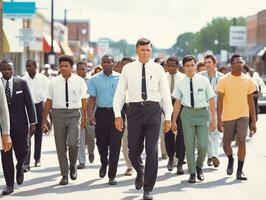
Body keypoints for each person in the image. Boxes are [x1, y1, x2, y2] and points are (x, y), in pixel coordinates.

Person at [113, 38, 172, 200]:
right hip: (134, 111)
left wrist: (168, 117)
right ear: (137, 51)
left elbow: (165, 94)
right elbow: (119, 93)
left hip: (153, 110)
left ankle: (148, 189)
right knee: (133, 150)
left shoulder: (158, 69)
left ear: (151, 51)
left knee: (152, 150)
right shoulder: (128, 69)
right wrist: (117, 114)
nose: (145, 53)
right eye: (142, 50)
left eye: (148, 50)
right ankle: (140, 171)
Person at [41, 56, 87, 185]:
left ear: (71, 67)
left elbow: (84, 100)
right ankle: (64, 174)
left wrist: (85, 117)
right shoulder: (53, 82)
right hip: (58, 114)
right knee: (60, 146)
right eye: (61, 66)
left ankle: (73, 164)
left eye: (66, 66)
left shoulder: (79, 81)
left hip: (74, 114)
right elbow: (49, 101)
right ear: (59, 67)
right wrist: (44, 120)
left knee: (73, 142)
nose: (64, 68)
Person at [171, 55, 216, 184]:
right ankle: (192, 172)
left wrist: (214, 119)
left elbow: (211, 99)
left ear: (195, 66)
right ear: (183, 67)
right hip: (187, 114)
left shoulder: (203, 80)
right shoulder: (180, 83)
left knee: (203, 144)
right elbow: (177, 103)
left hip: (202, 113)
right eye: (187, 66)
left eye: (192, 65)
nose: (190, 68)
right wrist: (174, 121)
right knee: (189, 145)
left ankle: (199, 166)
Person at [216, 54, 257, 181]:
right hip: (228, 116)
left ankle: (239, 171)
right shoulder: (223, 80)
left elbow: (251, 101)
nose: (240, 64)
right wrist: (219, 120)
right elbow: (220, 101)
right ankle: (230, 159)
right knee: (226, 144)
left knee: (241, 141)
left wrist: (253, 121)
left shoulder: (248, 80)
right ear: (231, 64)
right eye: (237, 62)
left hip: (243, 116)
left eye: (241, 62)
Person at [0, 60, 36, 195]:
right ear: (1, 70)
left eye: (10, 69)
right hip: (3, 128)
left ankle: (20, 165)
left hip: (21, 125)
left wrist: (33, 123)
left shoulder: (21, 83)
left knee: (23, 150)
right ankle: (9, 184)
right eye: (4, 69)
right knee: (5, 155)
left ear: (13, 69)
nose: (7, 72)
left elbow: (29, 104)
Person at [88, 54, 123, 185]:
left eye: (109, 62)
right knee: (101, 144)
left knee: (115, 145)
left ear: (114, 63)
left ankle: (112, 175)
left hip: (117, 114)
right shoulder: (94, 79)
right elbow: (91, 99)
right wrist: (90, 114)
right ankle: (104, 162)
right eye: (104, 62)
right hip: (101, 114)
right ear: (101, 63)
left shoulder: (120, 78)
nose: (106, 64)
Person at [22, 59, 49, 172]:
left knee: (38, 135)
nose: (28, 68)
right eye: (27, 66)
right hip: (27, 109)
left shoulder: (44, 79)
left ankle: (37, 158)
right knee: (27, 136)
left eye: (30, 66)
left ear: (35, 67)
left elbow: (47, 98)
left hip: (39, 107)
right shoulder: (22, 80)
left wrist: (47, 117)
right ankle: (26, 163)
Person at [199, 54, 224, 168]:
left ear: (215, 63)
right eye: (206, 63)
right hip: (203, 109)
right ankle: (209, 157)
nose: (207, 64)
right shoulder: (200, 76)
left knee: (216, 132)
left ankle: (215, 156)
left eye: (209, 62)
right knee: (206, 133)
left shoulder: (222, 78)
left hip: (217, 109)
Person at [164, 56, 186, 175]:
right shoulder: (162, 77)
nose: (170, 68)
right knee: (168, 133)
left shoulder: (183, 78)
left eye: (173, 66)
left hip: (181, 107)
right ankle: (171, 157)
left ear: (178, 66)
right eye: (168, 66)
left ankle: (180, 162)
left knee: (181, 135)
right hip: (166, 107)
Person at [75, 61, 95, 169]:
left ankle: (91, 151)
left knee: (91, 137)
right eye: (80, 69)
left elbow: (94, 97)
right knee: (80, 137)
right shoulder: (73, 81)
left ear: (87, 69)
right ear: (76, 70)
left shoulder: (91, 81)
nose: (82, 71)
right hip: (78, 113)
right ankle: (81, 161)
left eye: (84, 69)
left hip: (89, 112)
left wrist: (92, 113)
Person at [119, 57, 134, 176]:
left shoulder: (139, 79)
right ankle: (129, 166)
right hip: (122, 114)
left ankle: (137, 162)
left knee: (137, 142)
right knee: (125, 142)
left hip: (137, 114)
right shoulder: (117, 79)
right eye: (123, 65)